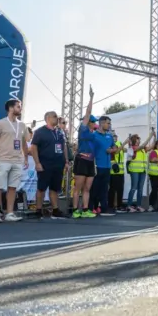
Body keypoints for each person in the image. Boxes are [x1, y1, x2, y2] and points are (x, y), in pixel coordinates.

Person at [0, 99, 29, 223]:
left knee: (13, 188)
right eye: (18, 106)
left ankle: (9, 213)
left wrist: (25, 158)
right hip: (3, 159)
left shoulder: (22, 125)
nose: (20, 108)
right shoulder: (0, 124)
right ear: (11, 108)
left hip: (17, 160)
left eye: (20, 106)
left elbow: (24, 143)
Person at [29, 111, 68, 219]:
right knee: (41, 188)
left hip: (58, 164)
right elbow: (33, 147)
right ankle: (38, 210)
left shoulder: (60, 132)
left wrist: (66, 161)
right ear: (48, 118)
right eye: (55, 116)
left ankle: (55, 211)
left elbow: (63, 147)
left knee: (54, 188)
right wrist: (37, 163)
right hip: (45, 163)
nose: (57, 118)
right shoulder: (40, 132)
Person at [72, 87, 97, 219]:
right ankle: (76, 210)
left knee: (87, 189)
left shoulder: (94, 134)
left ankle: (86, 209)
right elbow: (88, 112)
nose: (94, 123)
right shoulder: (83, 129)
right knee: (78, 188)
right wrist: (91, 98)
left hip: (90, 162)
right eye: (93, 121)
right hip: (81, 160)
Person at [89, 115, 118, 216]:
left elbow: (115, 147)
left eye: (110, 123)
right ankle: (92, 207)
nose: (109, 125)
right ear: (101, 123)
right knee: (95, 188)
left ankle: (103, 208)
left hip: (107, 166)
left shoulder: (109, 136)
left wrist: (112, 150)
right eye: (108, 123)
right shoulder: (94, 135)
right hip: (97, 165)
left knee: (105, 188)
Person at [126, 131, 155, 212]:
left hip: (142, 171)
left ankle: (138, 205)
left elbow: (152, 146)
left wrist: (154, 137)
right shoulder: (133, 148)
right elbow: (143, 145)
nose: (139, 141)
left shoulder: (142, 149)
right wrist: (150, 136)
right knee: (134, 187)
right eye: (137, 139)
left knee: (140, 189)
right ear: (134, 140)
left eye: (139, 139)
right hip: (134, 170)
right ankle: (129, 205)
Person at [109, 129, 126, 212]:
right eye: (113, 136)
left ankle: (119, 205)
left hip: (121, 170)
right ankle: (111, 205)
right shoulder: (110, 144)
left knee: (120, 189)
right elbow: (116, 152)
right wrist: (125, 143)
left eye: (115, 136)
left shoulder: (119, 143)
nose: (115, 137)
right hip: (113, 171)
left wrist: (128, 146)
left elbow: (125, 150)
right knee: (112, 189)